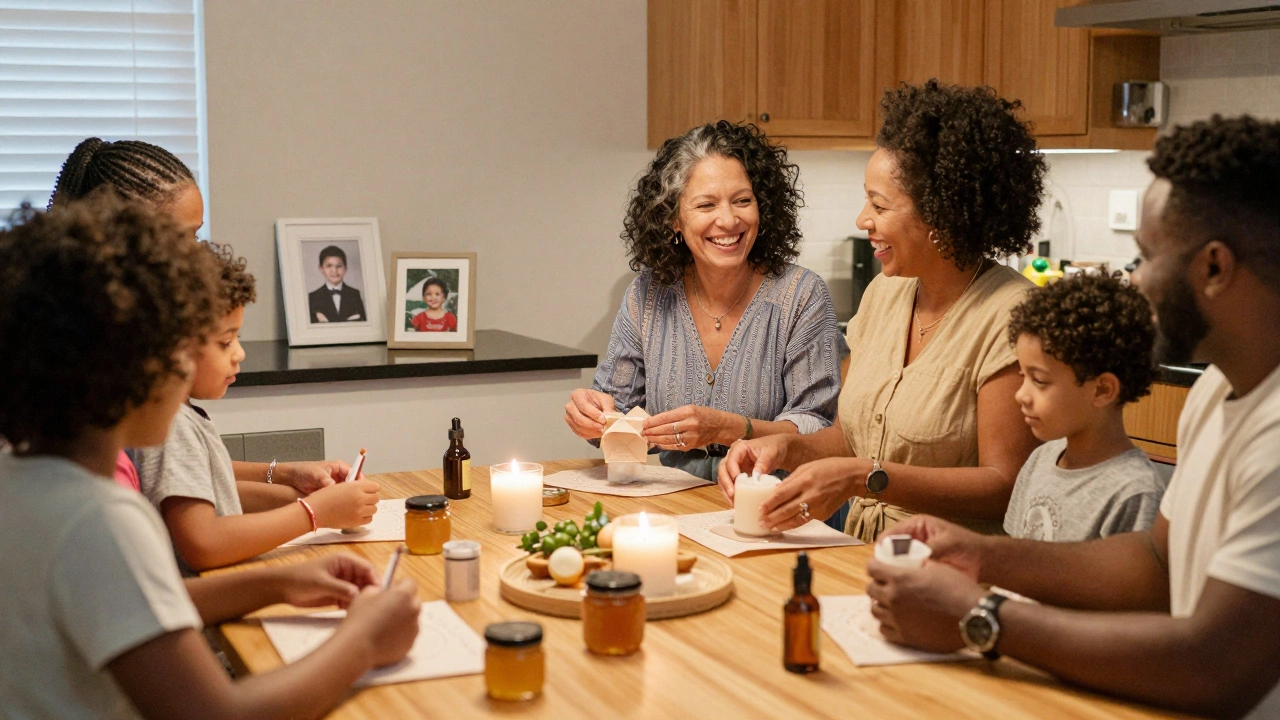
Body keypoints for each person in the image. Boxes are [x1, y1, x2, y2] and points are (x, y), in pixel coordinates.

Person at [865, 115, 1280, 719]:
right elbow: (1155, 564)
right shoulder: (1221, 390)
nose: (1135, 281)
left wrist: (980, 617)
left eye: (1146, 257)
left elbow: (1213, 664)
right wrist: (979, 556)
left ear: (1214, 269)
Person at [0, 195, 419, 720]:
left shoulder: (18, 479)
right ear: (134, 364)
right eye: (182, 346)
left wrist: (280, 581)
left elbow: (136, 610)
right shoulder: (98, 519)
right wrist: (363, 641)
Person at [721, 81, 1044, 540]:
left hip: (953, 567)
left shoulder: (1012, 317)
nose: (862, 220)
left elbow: (1004, 484)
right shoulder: (884, 296)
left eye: (878, 204)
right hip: (861, 550)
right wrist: (783, 447)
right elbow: (849, 438)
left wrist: (863, 478)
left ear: (940, 214)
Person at [50, 136, 360, 496]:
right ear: (122, 238)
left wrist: (287, 475)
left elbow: (183, 480)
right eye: (182, 238)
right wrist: (311, 511)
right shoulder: (87, 363)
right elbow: (179, 511)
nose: (195, 256)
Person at [563, 121, 847, 480]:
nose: (728, 220)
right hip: (678, 506)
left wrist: (728, 428)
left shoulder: (800, 295)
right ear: (674, 219)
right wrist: (592, 417)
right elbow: (616, 414)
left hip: (774, 506)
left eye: (743, 200)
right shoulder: (647, 295)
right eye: (706, 204)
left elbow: (819, 429)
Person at [137, 243, 381, 572]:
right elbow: (204, 543)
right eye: (225, 342)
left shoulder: (180, 416)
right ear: (172, 345)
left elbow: (213, 490)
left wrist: (308, 497)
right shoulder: (172, 426)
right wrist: (313, 513)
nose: (239, 353)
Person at [1003, 275, 1165, 541]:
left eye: (1040, 381)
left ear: (1102, 390)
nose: (1021, 395)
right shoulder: (1039, 460)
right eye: (1023, 376)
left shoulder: (1134, 492)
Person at [308, 245, 367, 323]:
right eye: (329, 266)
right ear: (321, 269)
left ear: (345, 269)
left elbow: (363, 323)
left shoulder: (354, 294)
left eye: (339, 266)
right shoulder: (313, 297)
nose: (334, 271)